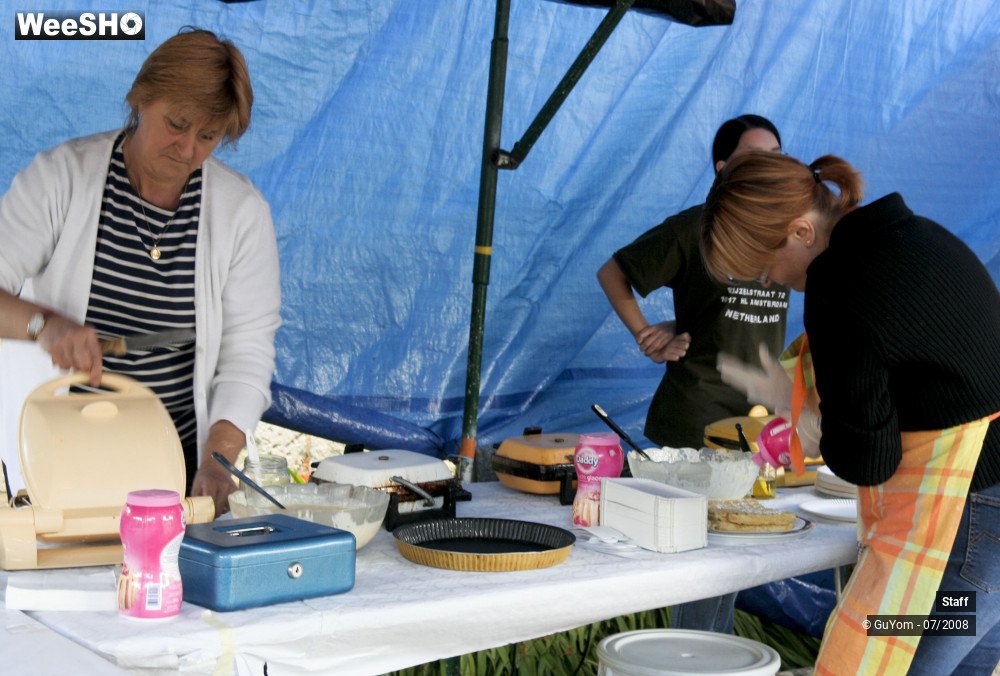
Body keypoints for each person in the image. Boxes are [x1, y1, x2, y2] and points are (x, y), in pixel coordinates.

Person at [701, 151, 1000, 674]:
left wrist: (812, 427)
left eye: (765, 265)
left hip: (970, 527)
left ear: (800, 232)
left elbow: (868, 461)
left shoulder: (840, 281)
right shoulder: (918, 235)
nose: (770, 282)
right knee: (966, 654)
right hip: (986, 546)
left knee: (894, 644)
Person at [0, 28, 281, 517]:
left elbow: (247, 355)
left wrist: (218, 460)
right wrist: (46, 326)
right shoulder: (61, 177)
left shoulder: (241, 213)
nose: (187, 149)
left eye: (208, 136)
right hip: (53, 468)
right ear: (141, 98)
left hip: (172, 479)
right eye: (177, 123)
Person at [597, 115, 789, 634]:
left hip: (758, 430)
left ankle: (703, 657)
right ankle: (695, 658)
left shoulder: (785, 235)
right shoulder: (695, 227)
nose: (768, 168)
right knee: (706, 568)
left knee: (726, 569)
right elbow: (614, 271)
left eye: (776, 156)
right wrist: (646, 336)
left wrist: (681, 322)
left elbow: (731, 318)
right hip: (698, 424)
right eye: (754, 159)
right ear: (723, 168)